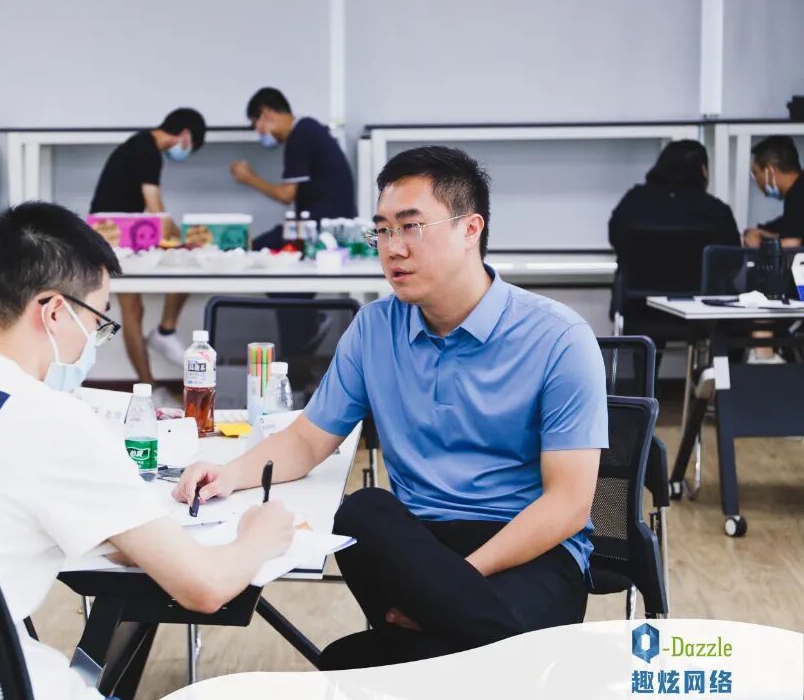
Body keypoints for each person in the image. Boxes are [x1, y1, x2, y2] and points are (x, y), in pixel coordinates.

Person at [0, 201, 294, 699]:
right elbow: (204, 587)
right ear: (54, 312)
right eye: (97, 321)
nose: (93, 341)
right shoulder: (48, 415)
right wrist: (261, 535)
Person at [176, 146, 607, 669]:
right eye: (381, 231)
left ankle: (441, 657)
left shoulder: (558, 337)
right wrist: (227, 474)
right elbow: (308, 439)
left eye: (411, 227)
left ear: (470, 229)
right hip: (414, 547)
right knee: (363, 511)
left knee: (351, 662)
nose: (392, 249)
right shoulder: (375, 328)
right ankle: (513, 661)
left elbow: (568, 505)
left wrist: (452, 588)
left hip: (528, 551)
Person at [90, 108, 206, 393]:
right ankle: (149, 382)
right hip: (113, 237)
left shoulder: (141, 145)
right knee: (181, 264)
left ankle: (162, 341)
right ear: (185, 136)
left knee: (135, 308)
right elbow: (156, 210)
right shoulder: (147, 150)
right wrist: (184, 238)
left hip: (117, 235)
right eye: (190, 145)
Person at [608, 139, 740, 323]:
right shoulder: (716, 211)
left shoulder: (633, 202)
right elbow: (732, 260)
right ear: (703, 170)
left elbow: (616, 238)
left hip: (638, 311)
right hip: (700, 315)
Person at [231, 87, 356, 249]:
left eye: (257, 126)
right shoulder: (308, 128)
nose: (260, 134)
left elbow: (286, 195)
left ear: (266, 114)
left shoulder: (300, 134)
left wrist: (248, 178)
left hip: (321, 229)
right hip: (332, 226)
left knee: (252, 248)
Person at [743, 135, 803, 249]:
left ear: (770, 171)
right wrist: (762, 232)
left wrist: (758, 246)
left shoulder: (798, 195)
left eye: (755, 173)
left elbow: (790, 248)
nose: (756, 180)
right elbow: (790, 225)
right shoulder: (798, 191)